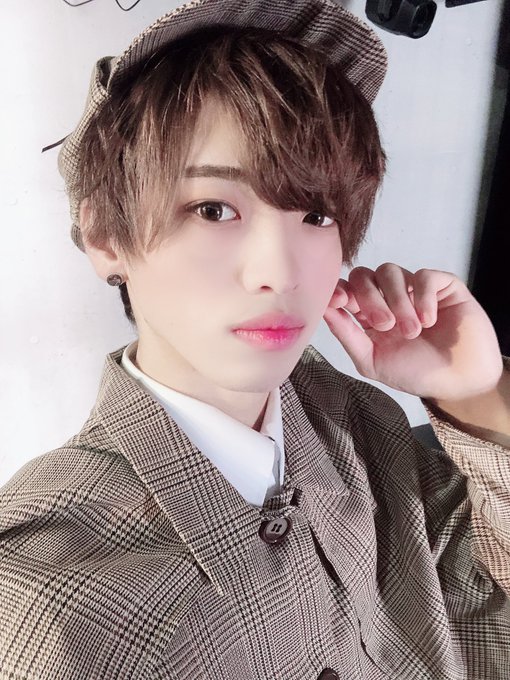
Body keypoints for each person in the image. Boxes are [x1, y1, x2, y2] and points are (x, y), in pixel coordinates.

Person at [1, 0, 509, 678]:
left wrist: (477, 395)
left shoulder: (351, 415)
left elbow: (484, 600)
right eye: (213, 208)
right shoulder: (47, 598)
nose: (280, 271)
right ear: (104, 236)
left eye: (316, 214)